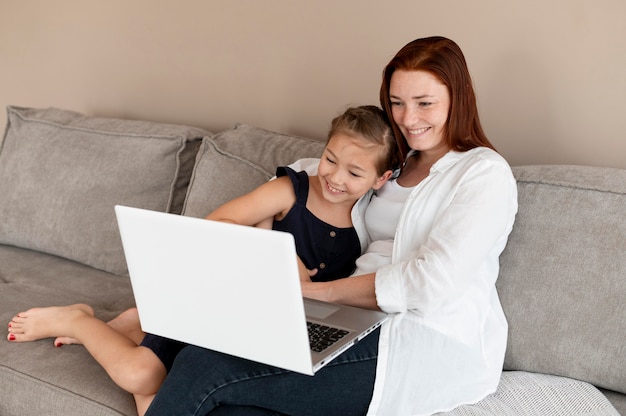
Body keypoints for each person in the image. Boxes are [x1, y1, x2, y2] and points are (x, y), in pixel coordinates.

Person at [141, 36, 519, 416]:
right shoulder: (392, 165)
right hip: (344, 318)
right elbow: (320, 178)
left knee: (202, 366)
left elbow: (429, 283)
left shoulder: (483, 174)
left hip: (412, 340)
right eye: (397, 102)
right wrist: (275, 240)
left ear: (458, 98)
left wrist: (318, 293)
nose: (408, 118)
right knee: (220, 393)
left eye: (424, 103)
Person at [6, 105, 398, 416]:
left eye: (355, 172)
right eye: (330, 160)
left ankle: (127, 323)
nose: (336, 177)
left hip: (260, 330)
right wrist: (282, 256)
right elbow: (217, 224)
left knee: (165, 400)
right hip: (217, 302)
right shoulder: (292, 189)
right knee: (140, 375)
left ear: (380, 180)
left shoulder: (364, 230)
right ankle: (79, 319)